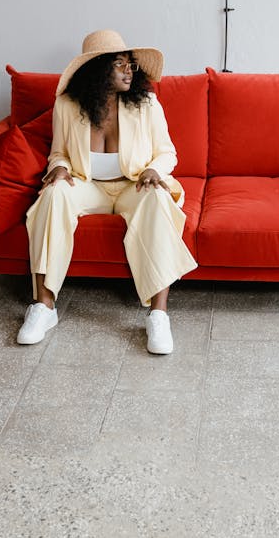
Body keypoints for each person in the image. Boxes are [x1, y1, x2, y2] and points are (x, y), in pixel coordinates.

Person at [17, 30, 198, 354]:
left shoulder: (147, 104)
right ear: (99, 69)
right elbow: (58, 152)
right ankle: (44, 307)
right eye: (120, 64)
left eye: (131, 64)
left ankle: (158, 315)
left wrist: (154, 171)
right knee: (53, 195)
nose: (130, 70)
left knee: (157, 199)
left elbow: (167, 152)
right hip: (86, 185)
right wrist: (57, 168)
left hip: (134, 184)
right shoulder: (67, 106)